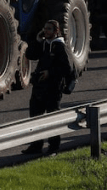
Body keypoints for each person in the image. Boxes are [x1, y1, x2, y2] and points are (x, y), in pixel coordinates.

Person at [21, 20, 75, 156]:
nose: (46, 31)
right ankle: (36, 146)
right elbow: (30, 55)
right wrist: (38, 41)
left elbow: (67, 68)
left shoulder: (60, 46)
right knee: (35, 116)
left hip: (53, 88)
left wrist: (50, 72)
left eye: (49, 29)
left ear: (56, 31)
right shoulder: (44, 44)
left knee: (52, 118)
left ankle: (53, 147)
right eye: (44, 28)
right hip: (39, 87)